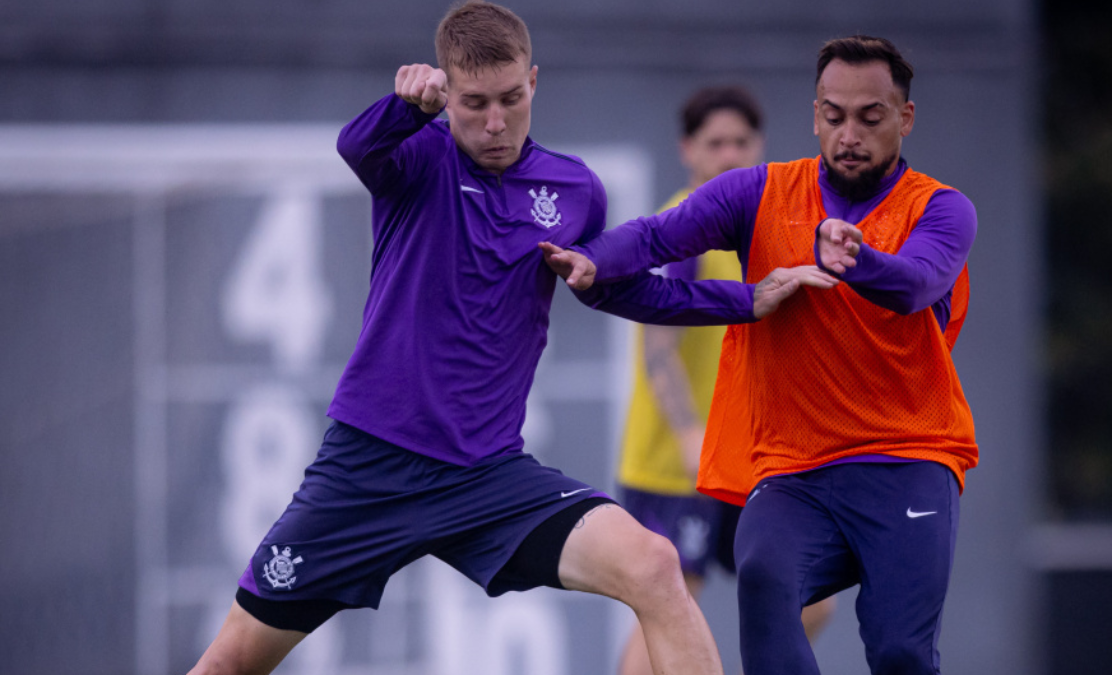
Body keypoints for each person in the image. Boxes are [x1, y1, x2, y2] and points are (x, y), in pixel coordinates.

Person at [186, 3, 827, 674]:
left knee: (655, 564)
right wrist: (405, 107)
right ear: (447, 93)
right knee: (233, 659)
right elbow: (357, 147)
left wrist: (746, 299)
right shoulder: (415, 155)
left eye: (511, 98)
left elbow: (618, 288)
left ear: (534, 83)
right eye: (475, 103)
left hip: (488, 476)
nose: (495, 122)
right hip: (369, 469)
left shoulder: (575, 189)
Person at [542, 35, 976, 675]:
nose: (849, 133)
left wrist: (855, 256)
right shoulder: (757, 194)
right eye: (833, 115)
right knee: (763, 585)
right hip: (788, 470)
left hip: (908, 459)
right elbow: (657, 238)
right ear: (814, 115)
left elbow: (915, 285)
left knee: (900, 652)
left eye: (870, 116)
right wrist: (595, 259)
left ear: (904, 119)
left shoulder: (941, 208)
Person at [616, 85, 834, 675]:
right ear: (688, 149)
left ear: (760, 146)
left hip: (751, 457)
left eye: (742, 142)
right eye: (715, 143)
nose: (730, 155)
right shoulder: (682, 230)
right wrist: (690, 434)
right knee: (669, 603)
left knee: (812, 597)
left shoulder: (774, 231)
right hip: (673, 464)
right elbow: (657, 349)